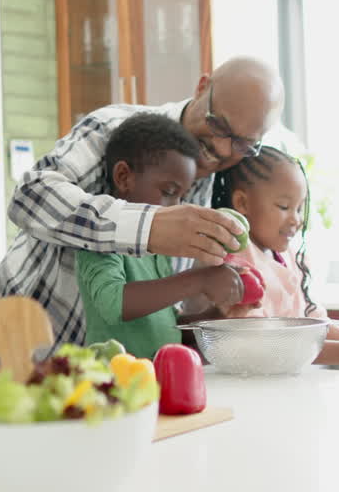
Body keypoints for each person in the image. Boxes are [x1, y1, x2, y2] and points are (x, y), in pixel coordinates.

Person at [0, 57, 286, 359]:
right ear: (202, 87)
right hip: (16, 350)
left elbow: (160, 310)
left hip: (105, 376)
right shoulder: (114, 128)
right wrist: (149, 226)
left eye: (243, 144)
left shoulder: (211, 185)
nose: (221, 148)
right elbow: (29, 197)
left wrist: (214, 304)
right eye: (218, 124)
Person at [211, 147, 339, 371]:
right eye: (284, 207)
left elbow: (314, 322)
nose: (296, 219)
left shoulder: (288, 255)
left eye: (300, 208)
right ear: (242, 203)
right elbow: (263, 342)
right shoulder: (236, 263)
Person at [76, 113, 242, 359]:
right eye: (168, 192)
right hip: (115, 385)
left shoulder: (156, 246)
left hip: (158, 378)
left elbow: (164, 324)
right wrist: (199, 279)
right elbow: (114, 305)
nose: (175, 206)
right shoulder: (101, 235)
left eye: (181, 197)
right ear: (124, 177)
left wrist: (218, 317)